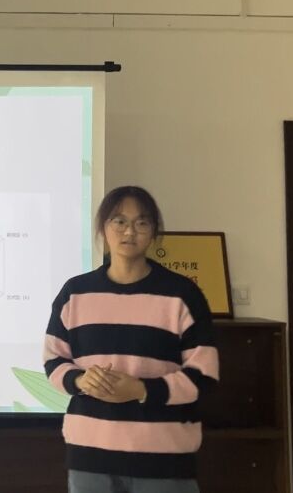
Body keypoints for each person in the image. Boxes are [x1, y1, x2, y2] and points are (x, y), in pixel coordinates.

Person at [44, 186, 219, 493]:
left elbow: (204, 376)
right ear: (103, 228)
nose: (129, 231)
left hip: (164, 458)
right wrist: (81, 380)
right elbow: (54, 361)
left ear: (154, 232)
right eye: (119, 221)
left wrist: (140, 390)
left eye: (141, 222)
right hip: (89, 457)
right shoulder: (75, 293)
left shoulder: (182, 294)